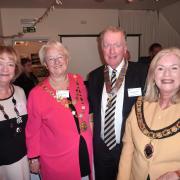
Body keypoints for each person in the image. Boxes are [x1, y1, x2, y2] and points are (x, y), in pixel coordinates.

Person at [25, 40, 93, 180]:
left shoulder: (78, 80)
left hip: (83, 148)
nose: (56, 62)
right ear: (45, 64)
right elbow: (32, 130)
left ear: (67, 58)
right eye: (51, 59)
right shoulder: (37, 94)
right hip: (56, 156)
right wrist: (33, 158)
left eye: (60, 57)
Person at [87, 26, 147, 180]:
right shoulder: (94, 77)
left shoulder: (143, 73)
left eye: (117, 45)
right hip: (102, 148)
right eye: (107, 45)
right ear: (101, 48)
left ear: (125, 47)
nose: (111, 51)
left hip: (131, 147)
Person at [117, 47, 180, 180]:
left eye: (174, 68)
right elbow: (128, 149)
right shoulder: (139, 105)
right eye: (160, 68)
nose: (166, 74)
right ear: (152, 75)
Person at [0, 45, 30, 180]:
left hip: (23, 161)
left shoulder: (20, 91)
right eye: (0, 63)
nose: (5, 69)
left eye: (10, 64)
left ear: (15, 69)